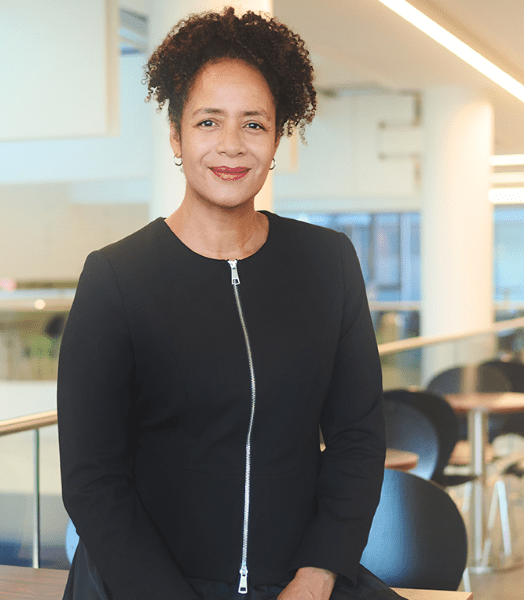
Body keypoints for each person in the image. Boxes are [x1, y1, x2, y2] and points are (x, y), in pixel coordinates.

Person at [58, 7, 399, 600]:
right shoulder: (115, 278)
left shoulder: (329, 262)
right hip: (151, 586)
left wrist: (318, 573)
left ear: (277, 137)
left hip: (299, 581)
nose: (231, 146)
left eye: (254, 124)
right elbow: (92, 479)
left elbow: (358, 437)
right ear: (176, 135)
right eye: (209, 122)